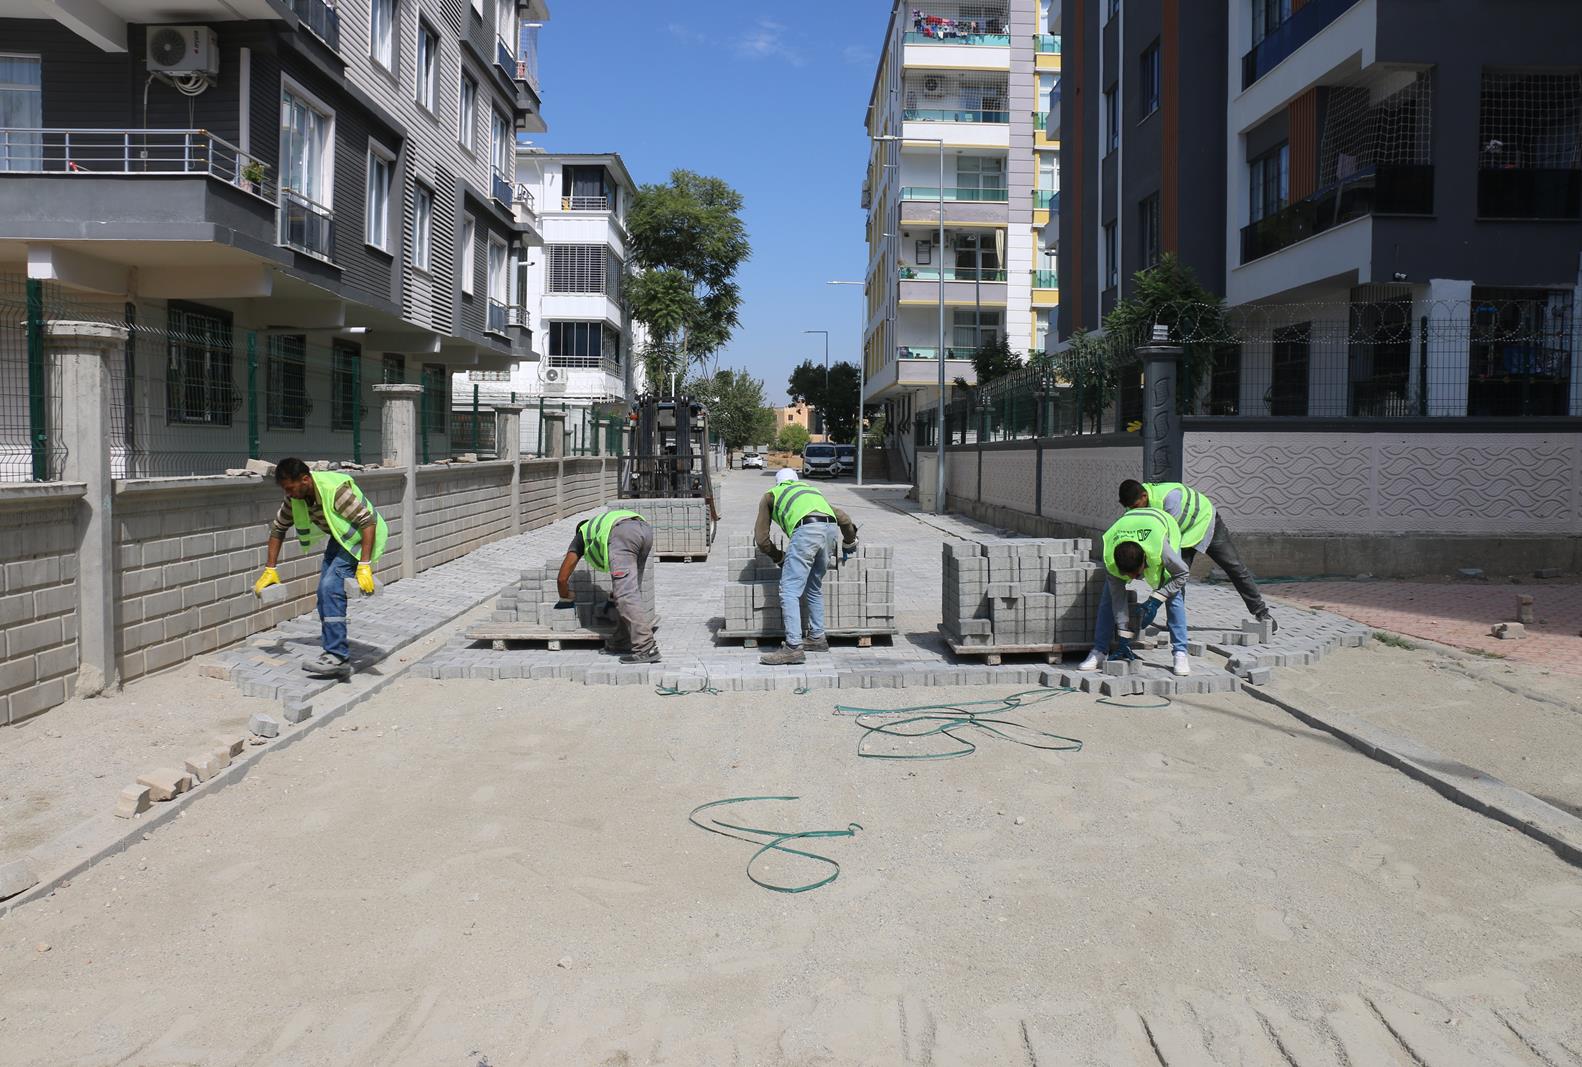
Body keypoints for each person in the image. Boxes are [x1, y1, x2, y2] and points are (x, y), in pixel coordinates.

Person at [253, 458, 387, 679]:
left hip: (362, 537)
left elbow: (368, 521)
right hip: (341, 537)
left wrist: (364, 565)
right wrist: (270, 569)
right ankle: (334, 651)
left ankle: (337, 656)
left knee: (330, 588)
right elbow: (278, 529)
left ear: (305, 480)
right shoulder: (295, 498)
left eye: (289, 488)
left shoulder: (335, 491)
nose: (288, 493)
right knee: (324, 594)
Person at [1116, 479, 1276, 633]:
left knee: (1234, 567)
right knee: (1175, 577)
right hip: (1183, 534)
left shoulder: (1170, 498)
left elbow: (1169, 540)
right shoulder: (1134, 506)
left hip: (1204, 523)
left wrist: (1155, 599)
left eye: (1137, 506)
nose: (1136, 511)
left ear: (1144, 496)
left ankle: (1262, 613)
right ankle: (1175, 624)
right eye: (1131, 508)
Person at [754, 469, 859, 666]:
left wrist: (780, 557)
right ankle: (817, 638)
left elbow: (761, 540)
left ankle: (793, 648)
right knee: (813, 586)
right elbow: (843, 518)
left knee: (789, 591)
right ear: (796, 480)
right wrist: (849, 541)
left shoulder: (771, 495)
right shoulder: (811, 491)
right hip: (829, 531)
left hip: (807, 530)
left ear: (778, 482)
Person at [1078, 505, 1193, 676]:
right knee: (1108, 597)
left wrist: (1157, 598)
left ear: (1144, 560)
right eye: (1128, 576)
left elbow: (1183, 573)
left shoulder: (1161, 549)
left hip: (1163, 525)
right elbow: (1118, 599)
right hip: (1130, 523)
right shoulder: (1110, 557)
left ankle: (1180, 653)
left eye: (1136, 574)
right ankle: (1099, 651)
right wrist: (1123, 632)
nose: (1133, 579)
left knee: (1173, 596)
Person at [557, 509, 659, 664]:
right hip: (644, 530)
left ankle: (646, 648)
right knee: (627, 592)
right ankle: (621, 642)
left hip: (624, 535)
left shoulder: (582, 534)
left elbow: (562, 578)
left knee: (625, 595)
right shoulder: (603, 524)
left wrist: (565, 594)